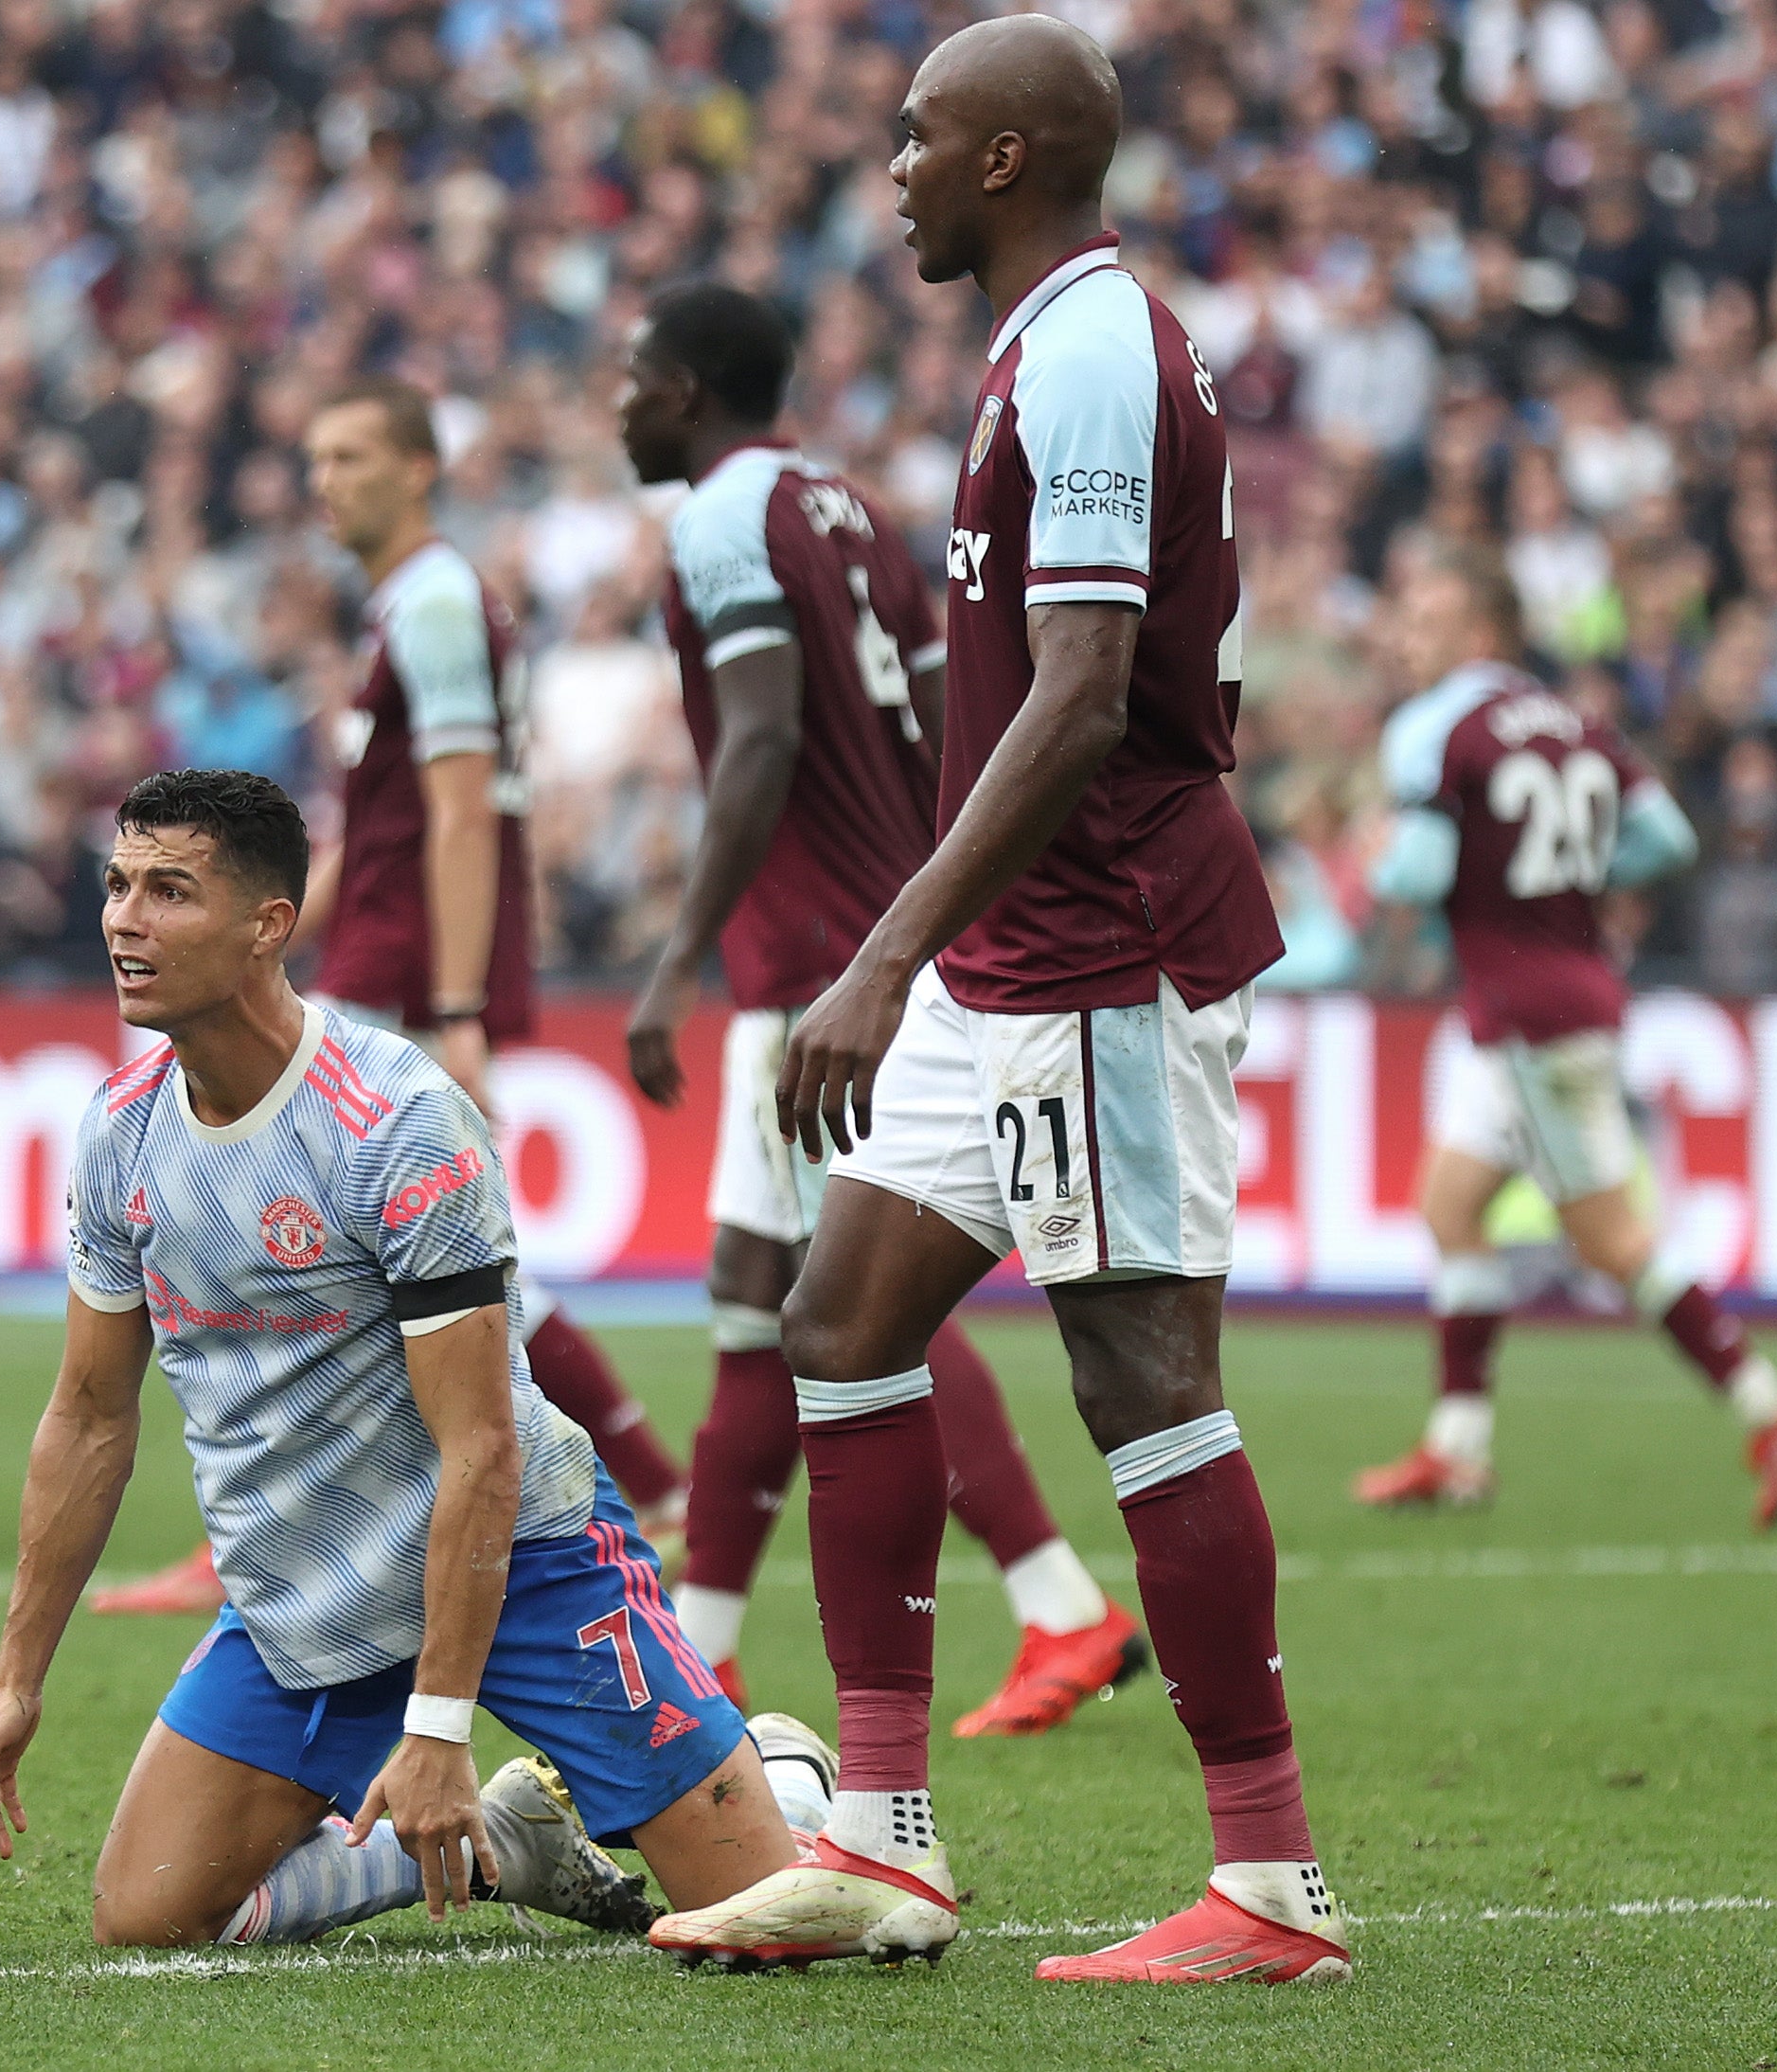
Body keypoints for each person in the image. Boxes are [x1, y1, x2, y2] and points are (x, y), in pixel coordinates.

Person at [648, 18, 1351, 1984]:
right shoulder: (1038, 342)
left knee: (1140, 1373)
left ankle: (1270, 1883)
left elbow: (1083, 691)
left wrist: (879, 950)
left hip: (1106, 937)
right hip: (1008, 950)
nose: (889, 165)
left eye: (918, 137)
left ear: (1008, 155)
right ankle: (878, 1836)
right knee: (840, 1310)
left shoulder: (1103, 344)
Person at [0, 769, 834, 1947]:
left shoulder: (397, 1122)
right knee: (146, 1917)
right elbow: (90, 1417)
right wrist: (16, 1679)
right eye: (118, 886)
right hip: (303, 1601)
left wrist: (438, 1723)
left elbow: (481, 1443)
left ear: (271, 924)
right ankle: (511, 1846)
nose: (123, 919)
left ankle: (786, 1781)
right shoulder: (121, 1130)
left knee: (757, 1921)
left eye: (169, 891)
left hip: (522, 1562)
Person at [617, 279, 1147, 1733]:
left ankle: (1061, 1603)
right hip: (879, 934)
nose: (613, 407)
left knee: (857, 1297)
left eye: (629, 379)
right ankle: (702, 1657)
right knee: (755, 1296)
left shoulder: (721, 518)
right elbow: (950, 728)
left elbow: (764, 737)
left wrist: (681, 954)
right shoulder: (853, 513)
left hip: (818, 971)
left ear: (682, 391)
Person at [87, 377, 688, 1618]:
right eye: (314, 458)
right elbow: (390, 819)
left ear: (420, 469)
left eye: (352, 454)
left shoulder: (434, 602)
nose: (325, 481)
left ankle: (263, 1534)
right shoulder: (408, 606)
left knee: (341, 1244)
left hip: (411, 967)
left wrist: (459, 1000)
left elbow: (463, 803)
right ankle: (651, 1481)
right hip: (377, 951)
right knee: (451, 1258)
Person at [1354, 545, 1777, 1524]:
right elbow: (1668, 842)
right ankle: (1458, 1448)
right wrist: (1564, 882)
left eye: (1430, 615)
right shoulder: (1580, 723)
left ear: (1482, 628)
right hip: (1557, 995)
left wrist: (1384, 859)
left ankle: (1769, 1400)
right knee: (1447, 1203)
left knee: (1609, 1238)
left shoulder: (1438, 730)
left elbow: (1415, 877)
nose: (1410, 632)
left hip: (1531, 1015)